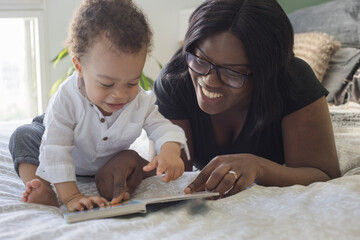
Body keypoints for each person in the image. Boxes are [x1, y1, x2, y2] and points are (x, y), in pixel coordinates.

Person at [94, 0, 341, 199]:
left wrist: (258, 167)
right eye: (201, 60)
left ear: (266, 72)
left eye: (233, 71)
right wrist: (134, 162)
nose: (209, 81)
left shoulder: (293, 80)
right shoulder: (176, 79)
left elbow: (323, 174)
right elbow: (177, 168)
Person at [8, 0, 188, 212]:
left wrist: (170, 149)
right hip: (60, 143)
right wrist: (72, 196)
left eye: (132, 82)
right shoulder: (66, 98)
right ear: (79, 66)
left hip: (104, 161)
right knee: (24, 135)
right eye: (107, 84)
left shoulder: (139, 101)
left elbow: (163, 127)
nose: (120, 94)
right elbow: (55, 148)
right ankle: (42, 187)